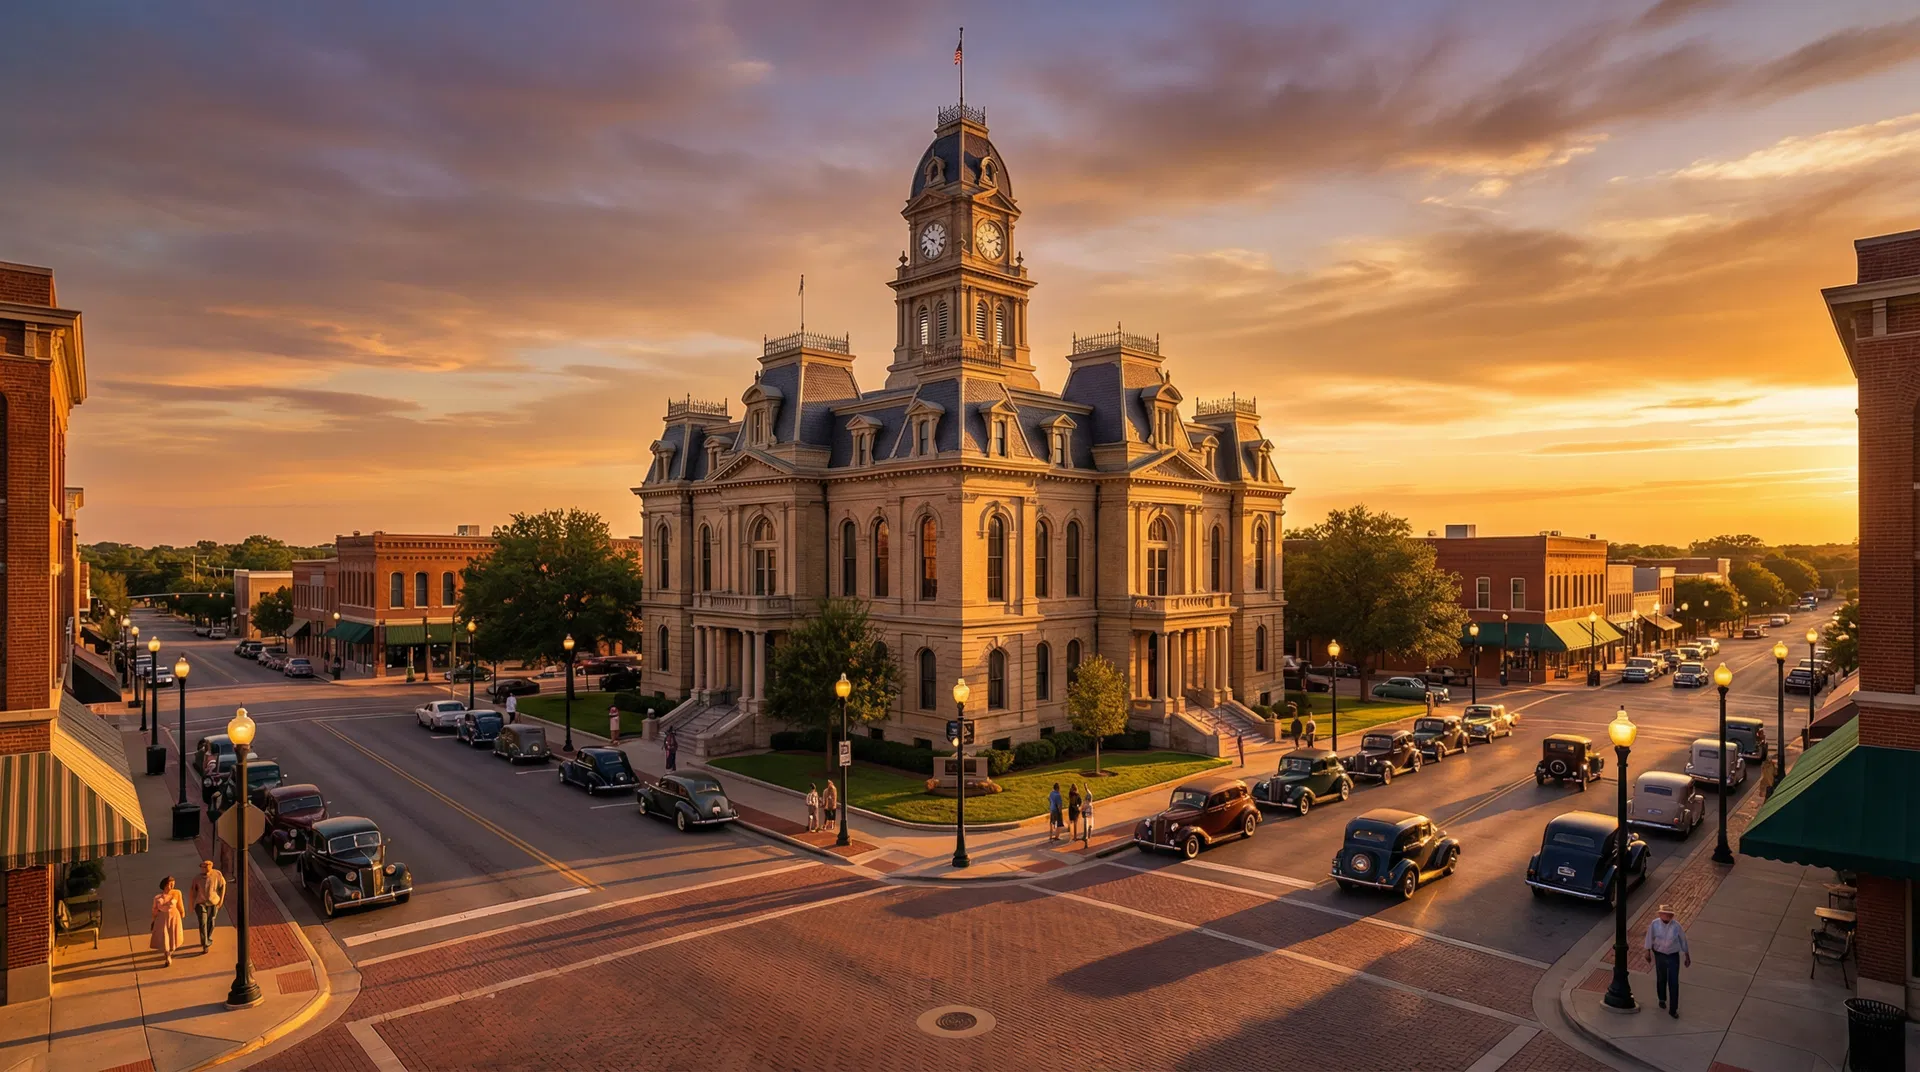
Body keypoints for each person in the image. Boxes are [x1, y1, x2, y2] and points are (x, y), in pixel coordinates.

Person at [1644, 904, 1691, 1018]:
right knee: (1661, 978)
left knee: (1673, 982)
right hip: (1660, 954)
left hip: (1673, 955)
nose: (1666, 916)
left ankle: (1673, 1009)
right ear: (1660, 914)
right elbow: (1649, 937)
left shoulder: (1676, 926)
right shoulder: (1655, 924)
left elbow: (1683, 940)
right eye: (1664, 913)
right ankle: (1662, 998)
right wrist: (1647, 951)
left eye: (1669, 914)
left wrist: (1687, 954)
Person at [188, 859, 226, 953]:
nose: (203, 868)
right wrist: (191, 904)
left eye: (206, 866)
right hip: (200, 903)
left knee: (211, 921)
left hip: (213, 902)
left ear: (211, 866)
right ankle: (205, 944)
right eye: (202, 866)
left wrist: (221, 900)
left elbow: (223, 886)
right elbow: (192, 891)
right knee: (203, 923)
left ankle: (208, 938)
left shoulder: (217, 874)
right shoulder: (197, 878)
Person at [150, 876, 185, 967]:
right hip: (162, 918)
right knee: (165, 937)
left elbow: (180, 905)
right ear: (165, 885)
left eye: (173, 884)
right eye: (170, 884)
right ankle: (167, 956)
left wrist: (182, 914)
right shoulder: (157, 898)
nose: (172, 886)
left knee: (173, 936)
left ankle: (170, 951)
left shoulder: (177, 893)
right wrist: (153, 920)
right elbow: (154, 910)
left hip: (174, 917)